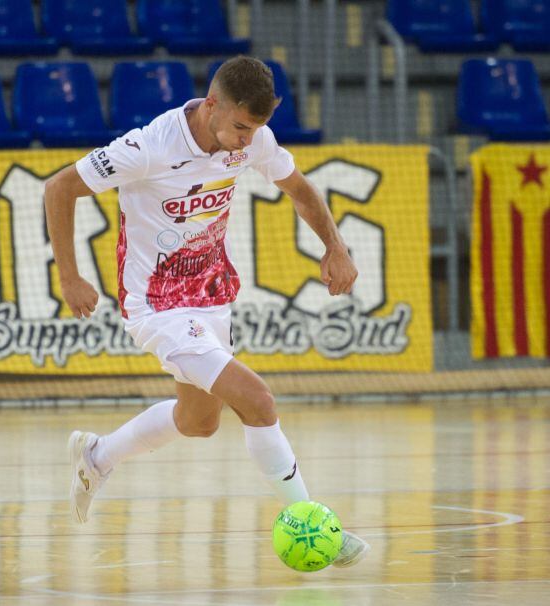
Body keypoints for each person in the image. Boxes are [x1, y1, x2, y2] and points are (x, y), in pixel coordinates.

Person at [43, 56, 369, 567]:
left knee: (197, 422)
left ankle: (97, 456)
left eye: (256, 128)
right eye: (241, 126)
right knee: (257, 400)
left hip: (212, 296)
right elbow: (59, 187)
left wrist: (336, 247)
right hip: (157, 306)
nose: (247, 139)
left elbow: (301, 191)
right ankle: (312, 522)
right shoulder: (148, 147)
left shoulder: (254, 137)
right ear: (212, 105)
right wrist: (70, 277)